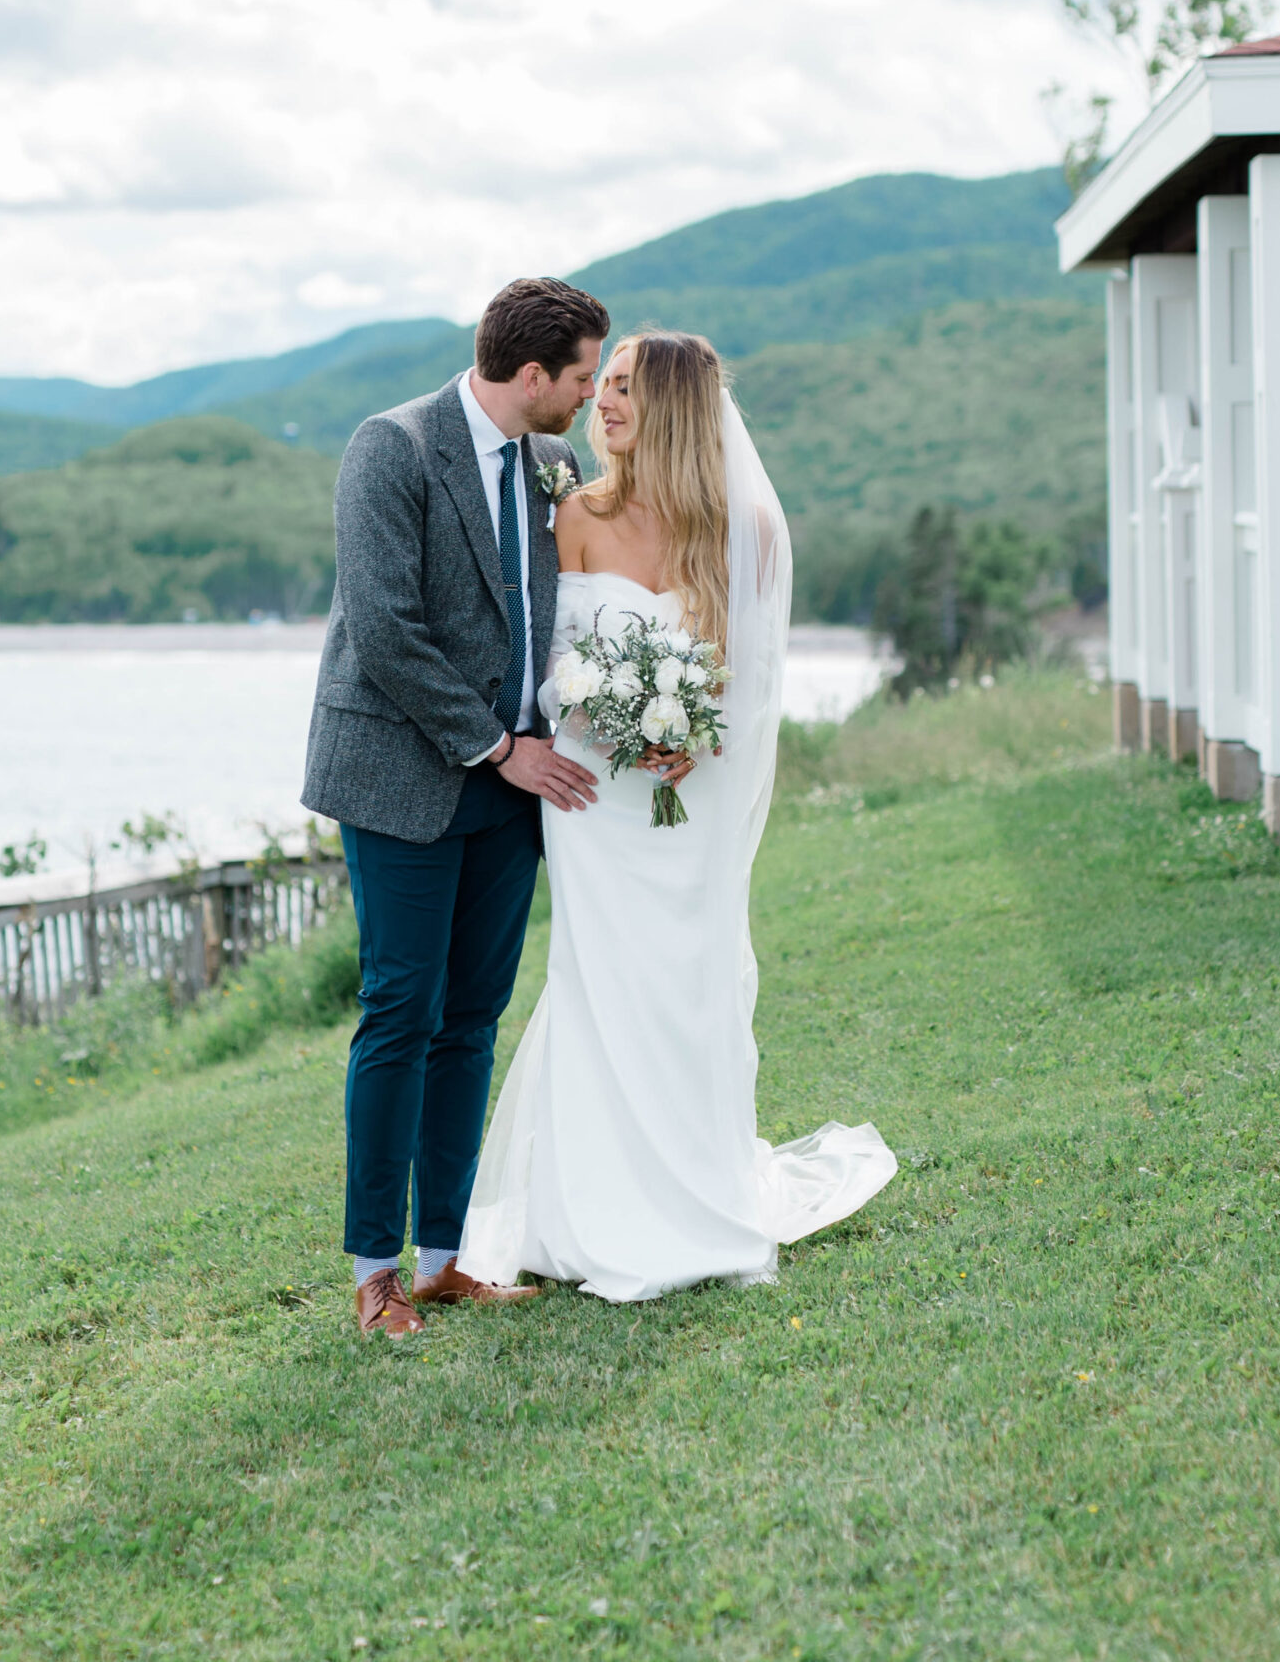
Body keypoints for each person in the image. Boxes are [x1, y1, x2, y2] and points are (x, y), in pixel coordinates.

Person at [457, 330, 897, 1302]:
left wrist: (691, 737)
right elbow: (547, 661)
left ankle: (696, 1192)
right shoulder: (575, 513)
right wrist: (600, 718)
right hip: (591, 798)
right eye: (599, 384)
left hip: (685, 797)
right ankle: (587, 1208)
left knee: (688, 981)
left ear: (674, 403)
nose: (600, 404)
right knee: (598, 978)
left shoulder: (747, 529)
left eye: (621, 387)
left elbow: (753, 679)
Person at [303, 276, 610, 1337]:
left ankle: (444, 1256)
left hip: (515, 788)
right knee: (402, 1012)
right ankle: (373, 1272)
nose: (588, 394)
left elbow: (571, 615)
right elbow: (385, 630)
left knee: (472, 1017)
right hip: (402, 772)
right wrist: (496, 748)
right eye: (580, 377)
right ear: (533, 376)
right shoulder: (388, 448)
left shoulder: (556, 465)